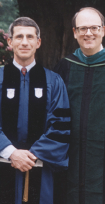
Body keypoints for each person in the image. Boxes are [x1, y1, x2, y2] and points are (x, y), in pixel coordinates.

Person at [0, 17, 71, 204]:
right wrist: (12, 153)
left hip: (40, 172)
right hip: (1, 171)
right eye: (19, 37)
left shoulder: (54, 82)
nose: (24, 42)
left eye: (30, 37)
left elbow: (60, 128)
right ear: (10, 41)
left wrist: (29, 156)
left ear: (38, 42)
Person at [54, 7, 105, 204]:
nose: (89, 33)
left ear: (103, 30)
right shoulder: (64, 67)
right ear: (74, 33)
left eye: (94, 27)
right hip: (69, 160)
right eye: (83, 28)